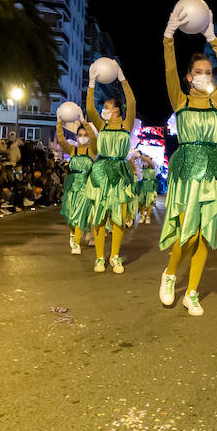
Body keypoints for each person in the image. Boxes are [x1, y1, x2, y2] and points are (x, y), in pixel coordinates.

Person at [158, 9, 217, 313]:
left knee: (205, 235)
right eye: (200, 72)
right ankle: (170, 273)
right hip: (188, 171)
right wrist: (168, 37)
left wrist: (212, 37)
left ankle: (191, 292)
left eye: (208, 72)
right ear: (190, 77)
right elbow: (168, 70)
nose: (206, 75)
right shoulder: (181, 100)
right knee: (187, 232)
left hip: (213, 172)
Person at [84, 62, 137, 274]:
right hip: (101, 173)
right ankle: (99, 257)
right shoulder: (101, 124)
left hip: (120, 175)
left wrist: (122, 78)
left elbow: (131, 101)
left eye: (106, 107)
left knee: (118, 218)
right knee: (99, 217)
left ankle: (115, 256)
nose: (103, 110)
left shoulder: (126, 124)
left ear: (116, 109)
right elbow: (89, 108)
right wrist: (91, 82)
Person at [57, 118, 95, 252]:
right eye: (80, 135)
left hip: (85, 185)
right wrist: (58, 123)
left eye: (86, 135)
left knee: (80, 213)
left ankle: (76, 242)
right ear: (76, 136)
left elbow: (95, 140)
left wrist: (85, 123)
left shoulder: (91, 151)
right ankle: (73, 233)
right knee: (68, 213)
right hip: (71, 184)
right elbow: (61, 140)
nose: (83, 138)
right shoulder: (72, 150)